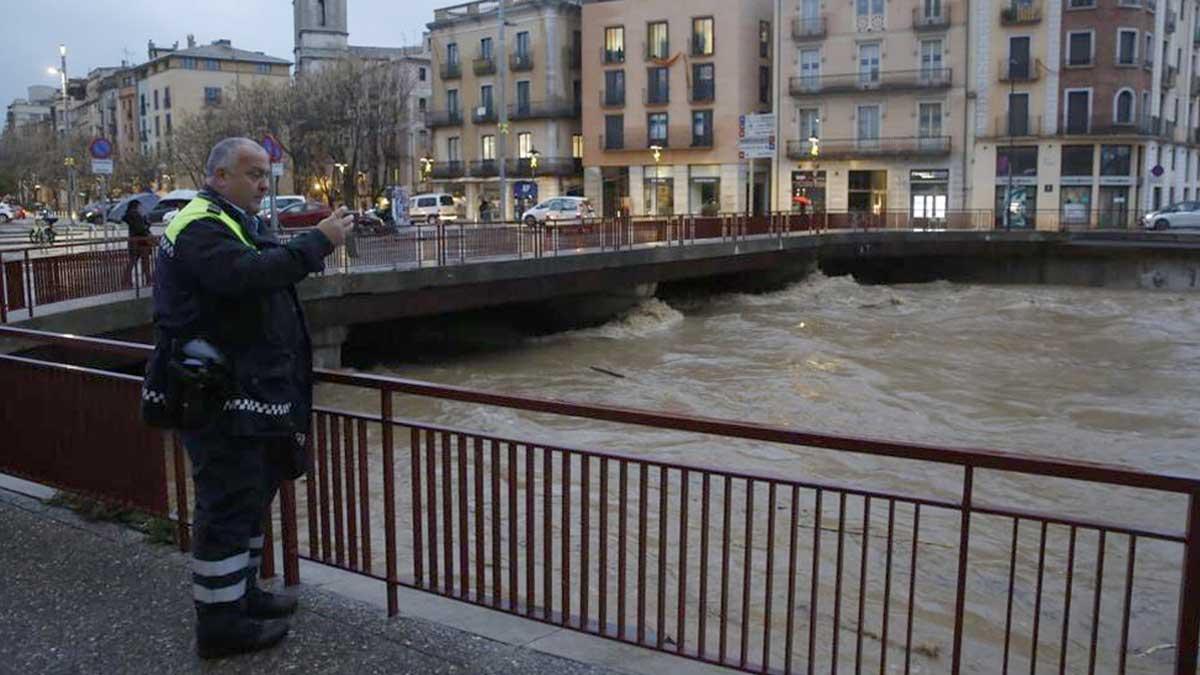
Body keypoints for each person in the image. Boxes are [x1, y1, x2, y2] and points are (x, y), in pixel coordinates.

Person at [141, 137, 354, 659]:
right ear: (218, 176)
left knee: (249, 500)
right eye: (253, 174)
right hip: (217, 398)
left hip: (243, 395)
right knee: (226, 507)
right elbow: (245, 277)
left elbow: (261, 270)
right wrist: (318, 242)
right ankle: (220, 625)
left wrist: (307, 245)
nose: (264, 184)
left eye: (266, 174)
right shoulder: (200, 224)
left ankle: (243, 597)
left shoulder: (230, 218)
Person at [123, 200, 153, 284]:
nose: (141, 207)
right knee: (145, 261)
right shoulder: (136, 215)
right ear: (136, 206)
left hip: (134, 241)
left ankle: (127, 280)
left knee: (133, 261)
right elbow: (140, 228)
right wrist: (147, 225)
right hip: (141, 241)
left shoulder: (131, 215)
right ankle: (148, 279)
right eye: (140, 206)